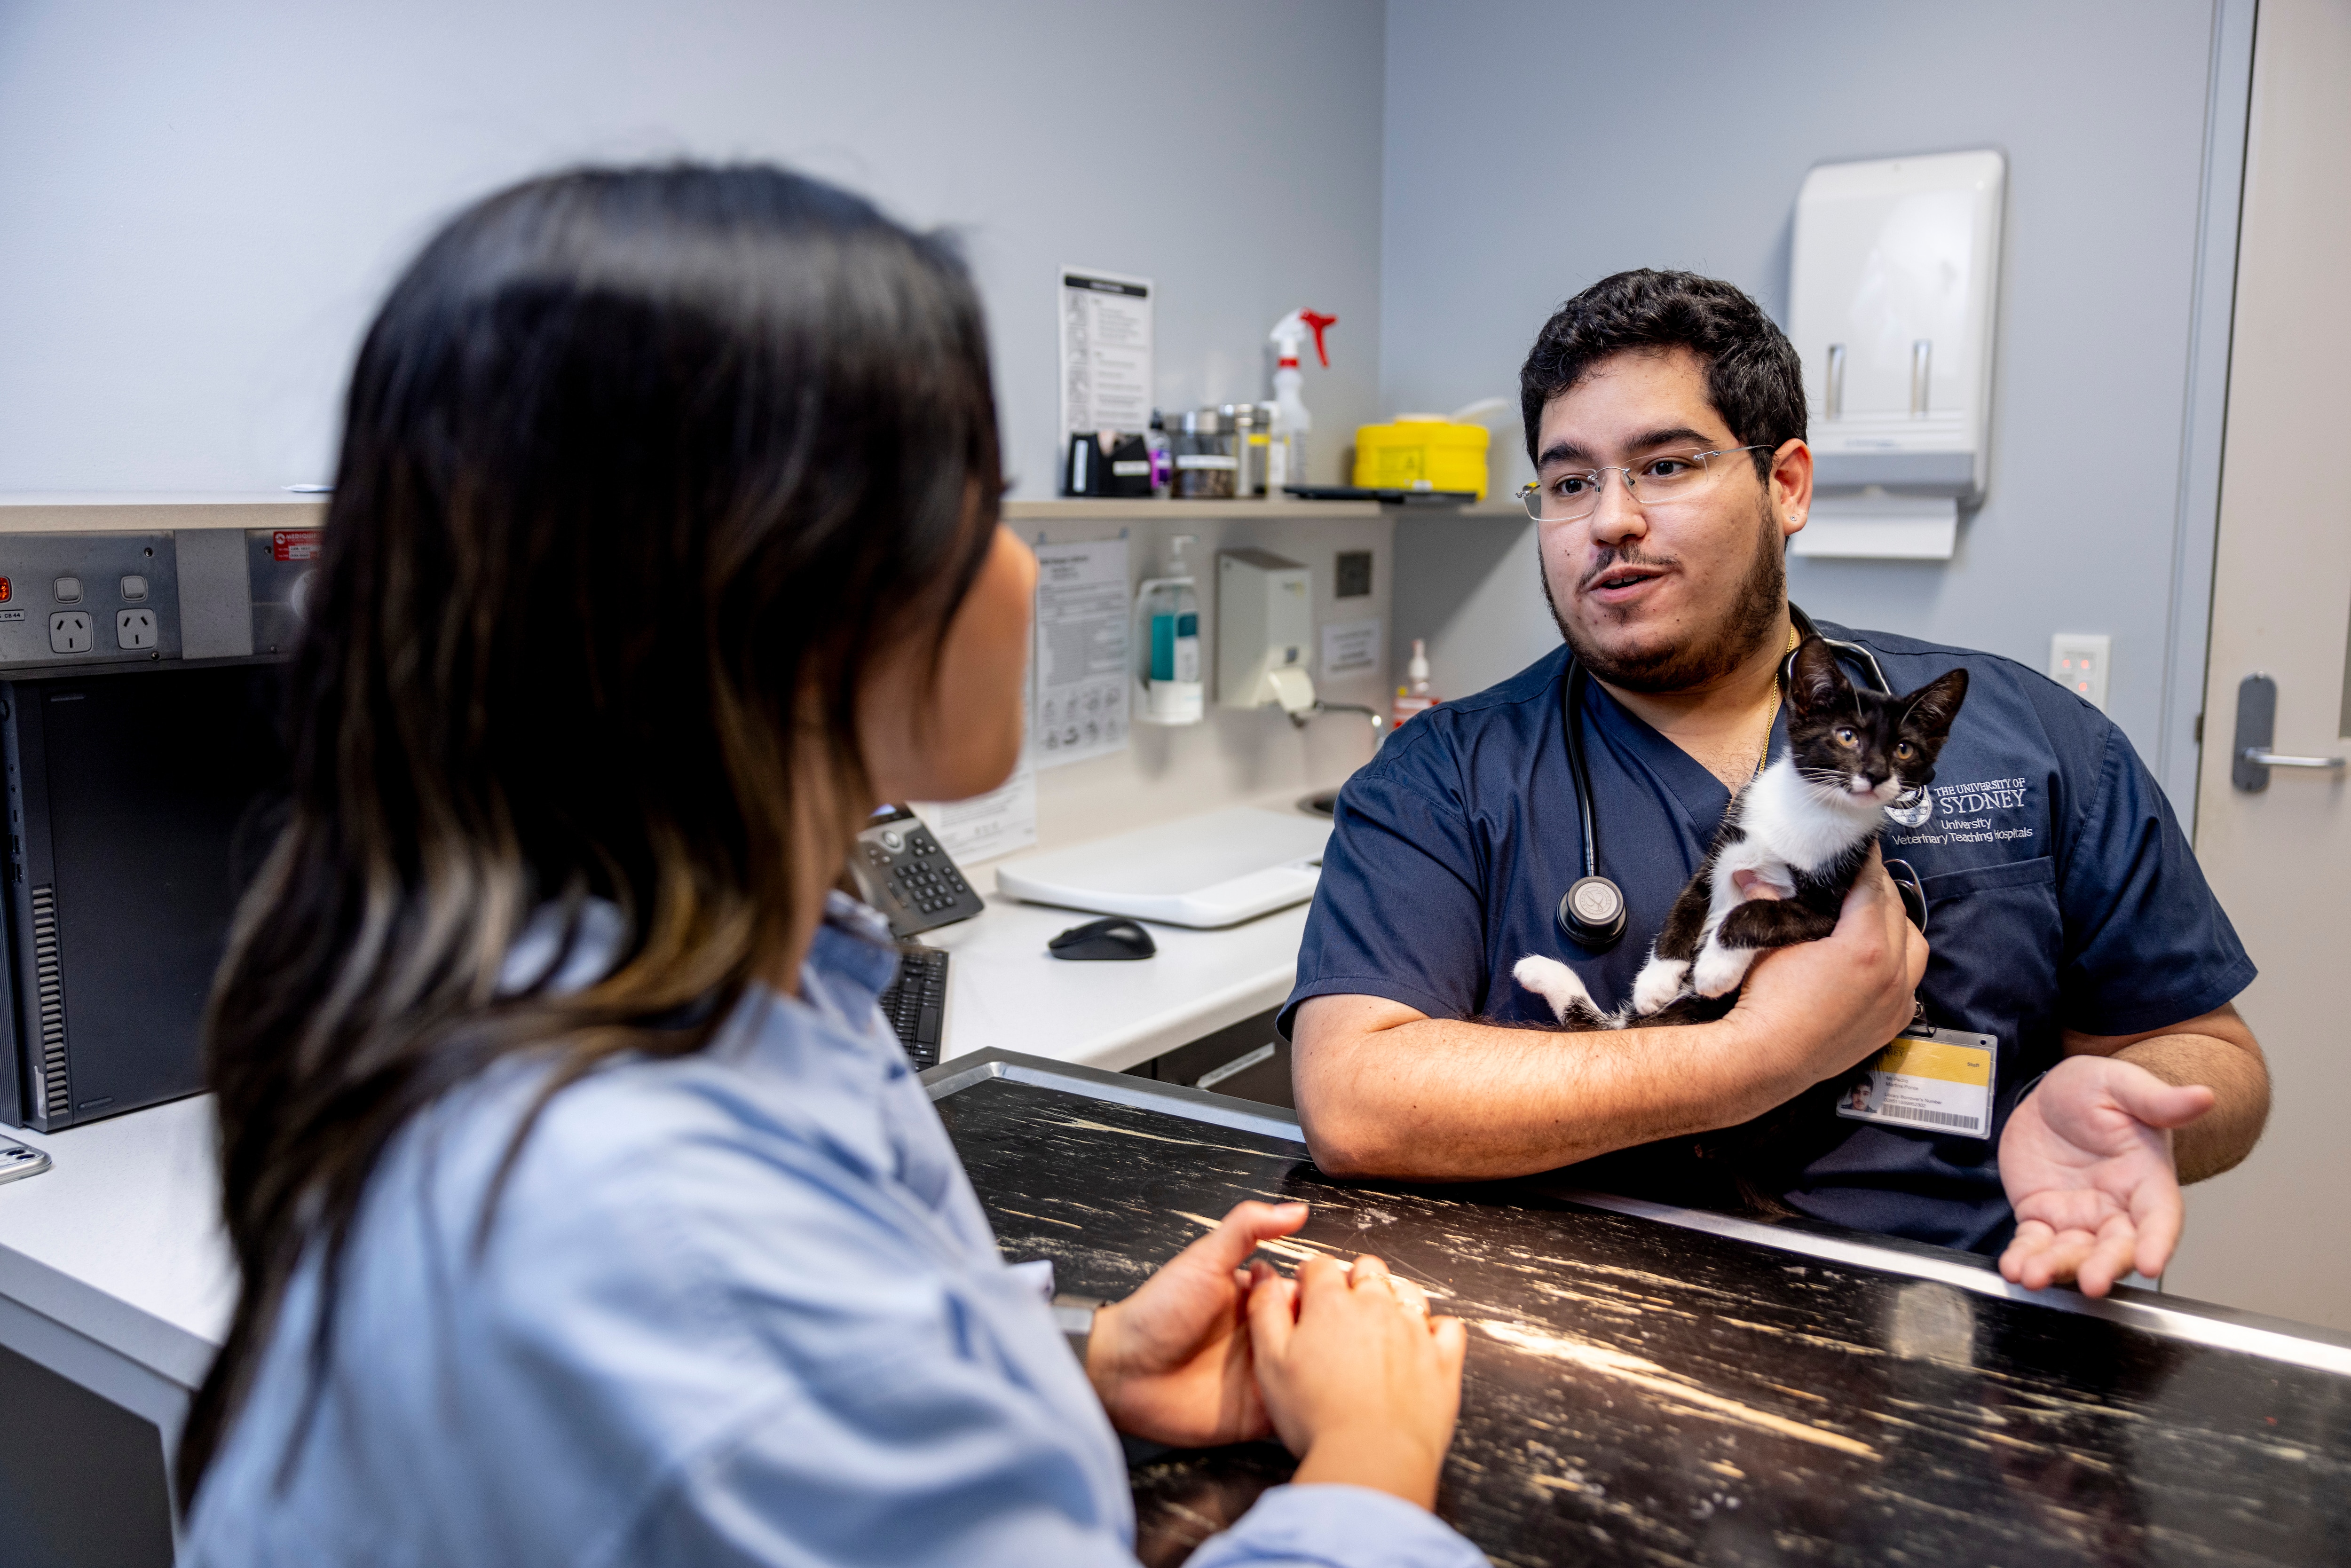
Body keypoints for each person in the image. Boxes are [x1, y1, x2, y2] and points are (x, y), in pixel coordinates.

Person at [178, 165, 1483, 1568]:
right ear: (790, 587)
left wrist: (1075, 1365)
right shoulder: (657, 1229)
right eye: (984, 502)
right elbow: (746, 1363)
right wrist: (1370, 1459)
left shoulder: (648, 980)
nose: (1028, 571)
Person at [1286, 269, 2270, 1300]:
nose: (1608, 520)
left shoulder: (2032, 743)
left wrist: (2121, 1097)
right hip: (1580, 1344)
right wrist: (1759, 1057)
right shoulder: (1443, 777)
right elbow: (1356, 1100)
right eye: (1569, 482)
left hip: (1963, 1348)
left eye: (1663, 465)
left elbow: (2214, 1055)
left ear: (1786, 484)